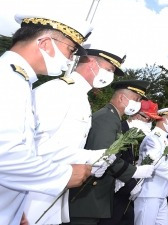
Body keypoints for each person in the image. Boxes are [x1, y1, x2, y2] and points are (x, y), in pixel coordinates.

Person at [0, 14, 93, 225]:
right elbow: (4, 155)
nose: (70, 60)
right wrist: (63, 175)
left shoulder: (19, 80)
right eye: (70, 50)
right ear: (44, 43)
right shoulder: (8, 80)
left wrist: (14, 211)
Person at [26, 46, 126, 225]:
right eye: (109, 70)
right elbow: (34, 145)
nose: (110, 76)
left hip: (52, 190)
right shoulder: (59, 90)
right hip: (32, 193)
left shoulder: (80, 96)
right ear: (92, 63)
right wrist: (90, 157)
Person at [69, 80, 156, 225]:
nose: (139, 104)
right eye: (137, 99)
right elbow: (104, 156)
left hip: (94, 197)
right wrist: (134, 172)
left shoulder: (112, 118)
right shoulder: (107, 119)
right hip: (87, 198)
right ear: (122, 98)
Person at [104, 99, 161, 225]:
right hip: (112, 193)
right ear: (136, 114)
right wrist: (131, 183)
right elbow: (113, 161)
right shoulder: (120, 130)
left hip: (125, 193)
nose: (150, 123)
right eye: (148, 119)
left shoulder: (133, 134)